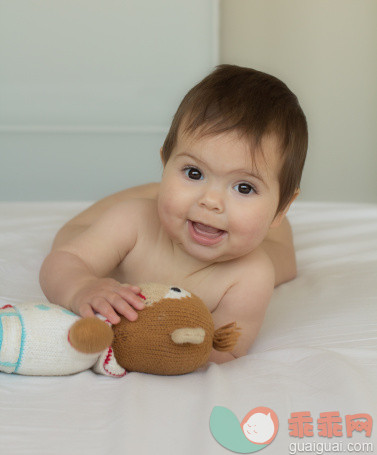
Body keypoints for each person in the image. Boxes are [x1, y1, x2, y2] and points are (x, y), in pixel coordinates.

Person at [39, 64, 308, 364]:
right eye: (193, 172)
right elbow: (62, 262)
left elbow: (225, 349)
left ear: (282, 209)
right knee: (71, 236)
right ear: (165, 163)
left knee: (282, 261)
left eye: (244, 187)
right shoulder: (133, 221)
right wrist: (80, 287)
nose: (211, 201)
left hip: (253, 232)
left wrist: (157, 345)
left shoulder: (251, 276)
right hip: (132, 213)